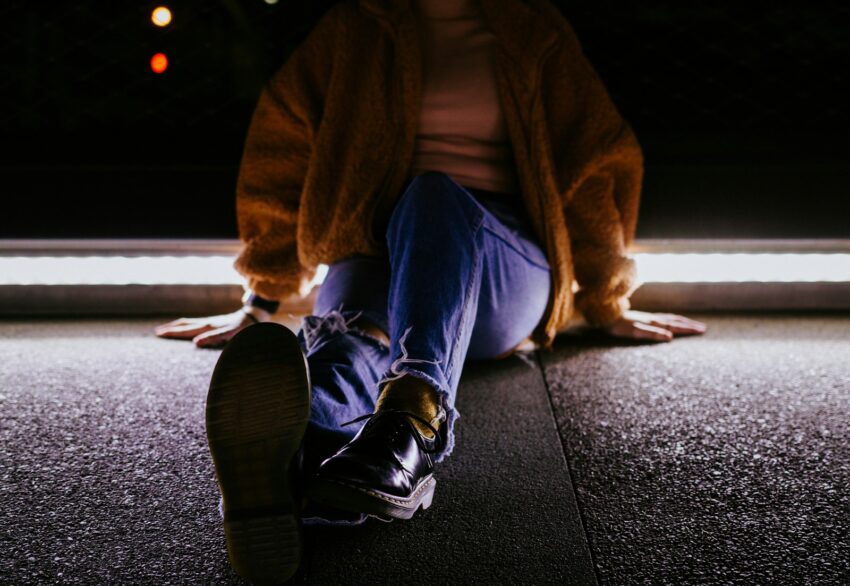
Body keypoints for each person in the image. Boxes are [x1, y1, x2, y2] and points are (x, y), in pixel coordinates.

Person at [156, 0, 706, 582]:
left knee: (433, 195)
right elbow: (283, 145)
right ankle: (295, 460)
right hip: (376, 246)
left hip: (502, 264)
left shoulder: (531, 27)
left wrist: (604, 297)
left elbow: (591, 162)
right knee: (351, 341)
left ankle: (412, 420)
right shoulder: (354, 26)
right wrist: (261, 297)